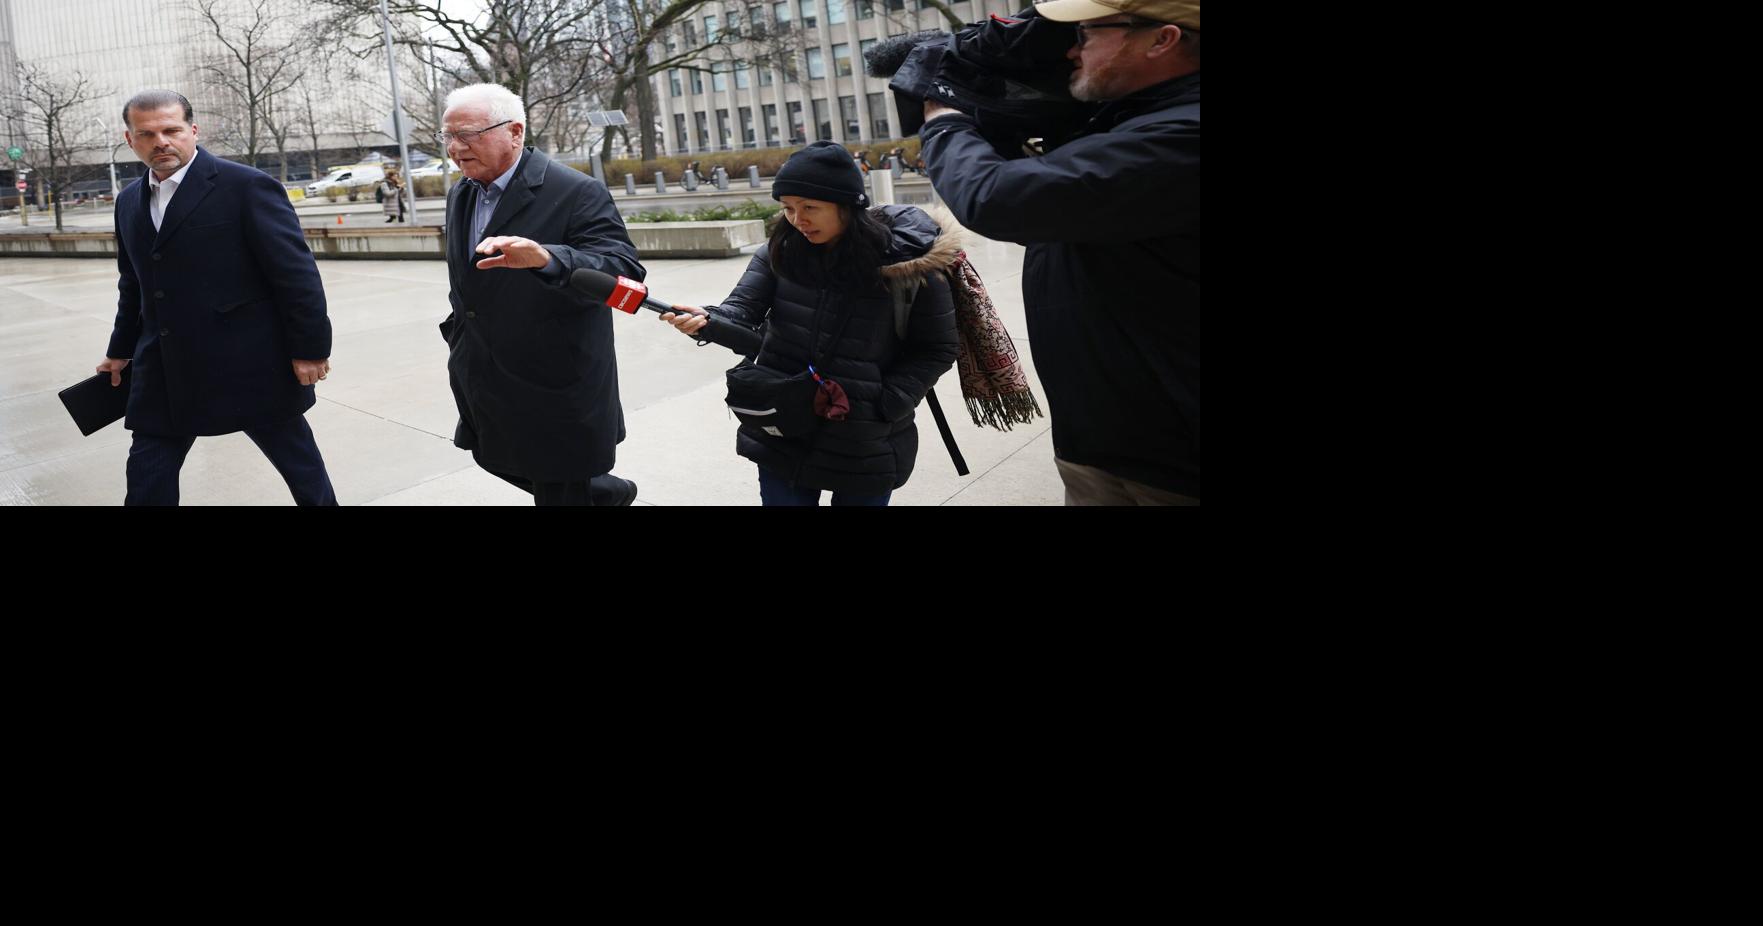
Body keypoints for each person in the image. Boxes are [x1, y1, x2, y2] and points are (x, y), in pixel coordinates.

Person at [919, 0, 1201, 505]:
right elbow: (1059, 226)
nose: (1073, 48)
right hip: (1102, 447)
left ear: (1163, 39)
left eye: (1090, 32)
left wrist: (943, 117)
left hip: (1174, 465)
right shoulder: (1124, 123)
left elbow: (998, 199)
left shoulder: (1182, 135)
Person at [659, 141, 959, 506]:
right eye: (788, 208)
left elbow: (936, 347)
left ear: (848, 206)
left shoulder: (908, 264)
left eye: (810, 208)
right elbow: (741, 310)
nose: (797, 220)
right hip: (785, 423)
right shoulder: (778, 252)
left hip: (863, 435)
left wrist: (888, 401)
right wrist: (707, 321)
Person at [97, 89, 336, 506]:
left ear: (193, 129)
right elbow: (132, 283)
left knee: (301, 470)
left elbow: (296, 277)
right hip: (164, 370)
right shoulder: (127, 201)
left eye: (171, 130)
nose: (161, 142)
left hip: (247, 364)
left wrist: (311, 350)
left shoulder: (246, 187)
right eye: (147, 133)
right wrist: (120, 350)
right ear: (130, 138)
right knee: (147, 478)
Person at [437, 82, 644, 506]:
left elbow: (624, 269)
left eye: (469, 135)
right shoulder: (463, 191)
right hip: (483, 368)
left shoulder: (575, 191)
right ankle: (603, 493)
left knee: (557, 482)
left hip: (552, 376)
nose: (455, 148)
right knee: (489, 453)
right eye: (448, 136)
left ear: (515, 132)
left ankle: (596, 492)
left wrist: (549, 258)